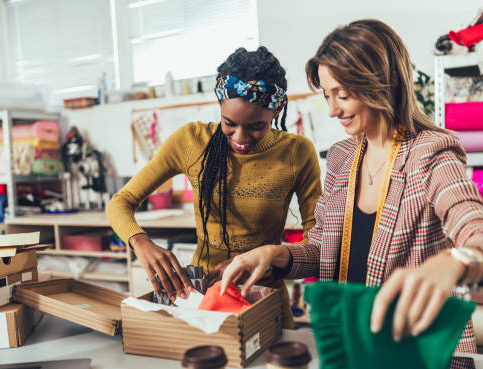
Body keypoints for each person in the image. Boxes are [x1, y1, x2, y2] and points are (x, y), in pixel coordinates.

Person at [219, 20, 483, 352]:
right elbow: (321, 251)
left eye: (342, 95)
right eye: (327, 95)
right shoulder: (342, 157)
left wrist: (455, 262)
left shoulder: (429, 154)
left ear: (380, 84)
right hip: (352, 345)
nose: (332, 110)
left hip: (417, 353)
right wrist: (274, 254)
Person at [106, 47, 322, 315]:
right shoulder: (190, 142)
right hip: (202, 298)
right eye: (229, 122)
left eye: (256, 126)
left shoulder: (297, 152)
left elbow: (317, 244)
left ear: (276, 109)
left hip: (261, 300)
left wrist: (263, 260)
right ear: (219, 106)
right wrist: (140, 242)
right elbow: (120, 202)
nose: (240, 137)